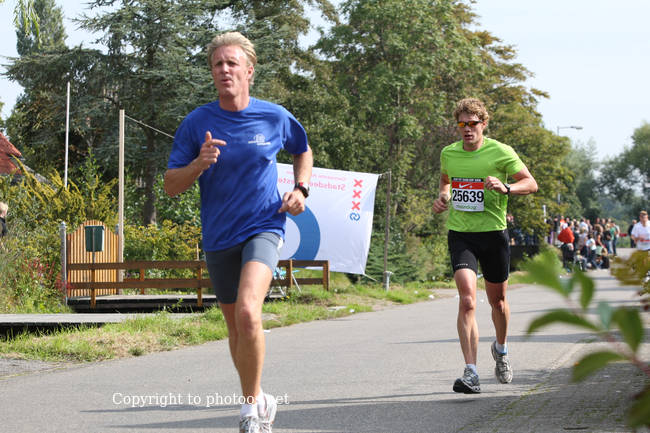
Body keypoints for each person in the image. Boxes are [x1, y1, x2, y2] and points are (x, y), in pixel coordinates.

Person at [164, 32, 312, 433]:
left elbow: (302, 149)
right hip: (218, 235)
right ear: (212, 73)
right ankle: (260, 395)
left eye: (232, 63)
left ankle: (249, 411)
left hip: (264, 225)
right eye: (218, 64)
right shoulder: (197, 123)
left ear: (249, 70)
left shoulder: (274, 116)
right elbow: (171, 185)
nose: (224, 69)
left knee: (248, 312)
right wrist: (198, 164)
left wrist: (301, 189)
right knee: (235, 327)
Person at [432, 98, 538, 394]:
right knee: (467, 300)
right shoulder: (449, 153)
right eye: (462, 124)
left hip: (494, 234)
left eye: (472, 124)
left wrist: (507, 187)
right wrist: (444, 197)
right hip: (461, 234)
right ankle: (471, 372)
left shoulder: (501, 152)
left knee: (498, 303)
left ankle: (501, 350)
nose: (467, 129)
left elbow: (531, 183)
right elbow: (445, 181)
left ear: (484, 124)